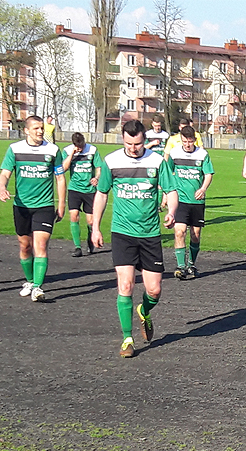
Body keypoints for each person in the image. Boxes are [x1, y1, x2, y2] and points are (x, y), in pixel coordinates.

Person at [91, 120, 178, 358]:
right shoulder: (111, 161)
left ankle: (144, 310)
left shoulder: (157, 161)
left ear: (144, 139)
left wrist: (171, 212)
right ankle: (127, 339)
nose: (133, 148)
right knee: (126, 285)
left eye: (138, 143)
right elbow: (101, 194)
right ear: (122, 139)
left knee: (154, 290)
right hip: (122, 233)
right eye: (129, 143)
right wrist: (95, 228)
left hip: (150, 233)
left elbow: (171, 191)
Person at [0, 115, 66, 302]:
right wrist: (2, 187)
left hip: (44, 206)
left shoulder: (53, 150)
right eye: (36, 128)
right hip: (22, 206)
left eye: (41, 128)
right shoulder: (15, 149)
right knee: (25, 246)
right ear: (26, 130)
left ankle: (37, 287)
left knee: (41, 246)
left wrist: (61, 204)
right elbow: (4, 173)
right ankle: (29, 281)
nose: (40, 131)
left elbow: (60, 178)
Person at [167, 125, 214, 280]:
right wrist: (167, 194)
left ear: (194, 140)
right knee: (179, 231)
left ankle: (191, 264)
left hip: (197, 201)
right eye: (185, 141)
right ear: (181, 140)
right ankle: (181, 267)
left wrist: (203, 188)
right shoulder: (174, 153)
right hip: (180, 200)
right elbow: (166, 173)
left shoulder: (202, 155)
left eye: (190, 141)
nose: (187, 144)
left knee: (195, 234)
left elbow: (208, 174)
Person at [62, 132, 102, 256]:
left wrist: (97, 177)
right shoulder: (67, 151)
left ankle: (90, 242)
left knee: (90, 221)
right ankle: (77, 247)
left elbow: (99, 167)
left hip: (89, 190)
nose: (81, 148)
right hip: (74, 189)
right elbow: (63, 168)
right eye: (78, 146)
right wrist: (72, 154)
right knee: (74, 215)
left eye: (82, 145)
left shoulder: (93, 150)